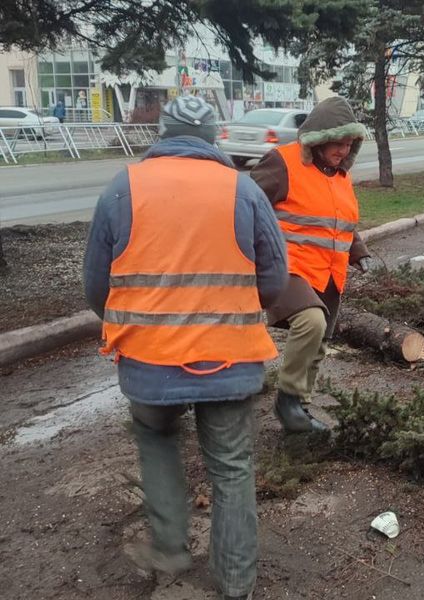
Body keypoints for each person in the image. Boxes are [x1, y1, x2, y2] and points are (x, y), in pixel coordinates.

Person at [83, 95, 288, 600]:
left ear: (162, 135)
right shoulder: (242, 190)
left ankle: (171, 550)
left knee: (156, 441)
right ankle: (236, 582)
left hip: (149, 361)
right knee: (232, 466)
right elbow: (275, 278)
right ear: (213, 137)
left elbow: (95, 284)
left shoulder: (122, 188)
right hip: (229, 354)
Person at [251, 96, 372, 433]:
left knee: (320, 343)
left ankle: (299, 409)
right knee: (311, 322)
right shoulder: (282, 163)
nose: (344, 151)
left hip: (329, 272)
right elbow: (246, 204)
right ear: (319, 137)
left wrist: (358, 252)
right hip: (286, 266)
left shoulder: (339, 176)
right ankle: (287, 400)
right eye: (339, 142)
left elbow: (341, 221)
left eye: (350, 144)